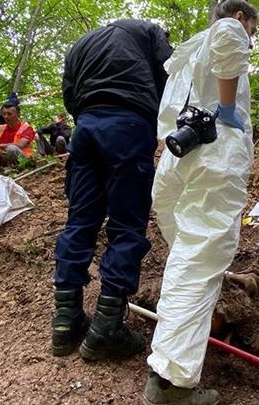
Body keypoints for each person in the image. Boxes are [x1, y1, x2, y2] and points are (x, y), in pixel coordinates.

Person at [142, 0, 258, 405]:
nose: (250, 38)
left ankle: (170, 363)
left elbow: (166, 118)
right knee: (197, 262)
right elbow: (229, 38)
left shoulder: (187, 54)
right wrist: (227, 107)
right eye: (253, 30)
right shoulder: (227, 28)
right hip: (215, 155)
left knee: (187, 257)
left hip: (179, 159)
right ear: (243, 17)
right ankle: (170, 383)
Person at [51, 19, 172, 362]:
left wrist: (90, 116)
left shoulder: (81, 43)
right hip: (129, 125)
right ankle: (107, 327)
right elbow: (171, 75)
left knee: (80, 221)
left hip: (86, 131)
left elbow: (69, 94)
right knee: (126, 224)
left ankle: (65, 321)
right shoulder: (150, 31)